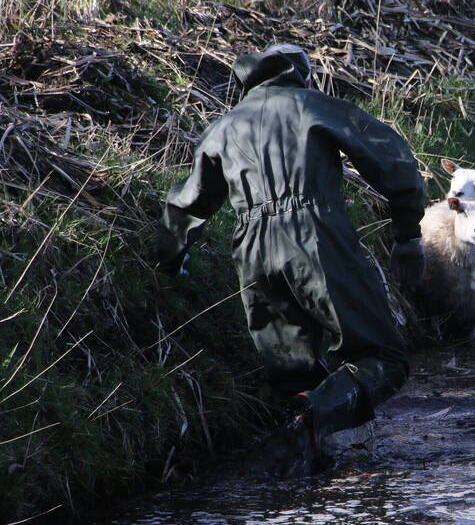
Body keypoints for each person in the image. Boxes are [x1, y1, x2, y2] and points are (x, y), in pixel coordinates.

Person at [154, 43, 426, 458]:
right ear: (303, 74)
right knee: (382, 359)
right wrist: (407, 234)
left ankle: (304, 470)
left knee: (292, 373)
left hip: (252, 252)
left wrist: (170, 258)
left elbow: (186, 203)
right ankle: (318, 418)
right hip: (317, 237)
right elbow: (393, 160)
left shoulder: (223, 127)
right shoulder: (315, 104)